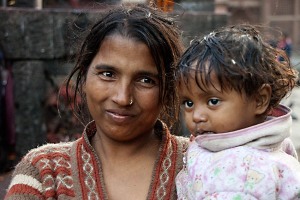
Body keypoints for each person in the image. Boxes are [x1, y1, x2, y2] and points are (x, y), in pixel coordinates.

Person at [5, 3, 189, 200]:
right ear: (84, 76)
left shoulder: (204, 164)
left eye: (146, 80)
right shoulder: (43, 172)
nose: (122, 97)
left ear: (169, 89)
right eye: (108, 74)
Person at [175, 24, 300, 199]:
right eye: (188, 103)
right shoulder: (270, 143)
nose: (196, 116)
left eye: (213, 101)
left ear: (259, 100)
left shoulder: (240, 174)